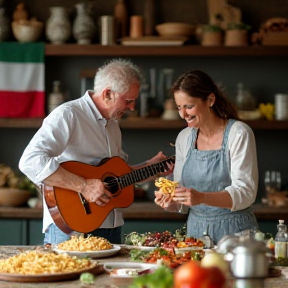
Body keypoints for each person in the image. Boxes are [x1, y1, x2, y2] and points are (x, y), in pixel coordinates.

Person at [19, 58, 173, 245]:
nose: (132, 108)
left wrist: (151, 167)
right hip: (72, 231)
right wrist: (83, 186)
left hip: (111, 229)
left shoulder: (113, 125)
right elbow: (30, 160)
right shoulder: (68, 115)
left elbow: (118, 177)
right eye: (129, 101)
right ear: (108, 94)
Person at [154, 70, 259, 244]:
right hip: (196, 235)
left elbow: (245, 192)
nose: (183, 114)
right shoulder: (184, 138)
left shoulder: (239, 133)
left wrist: (202, 197)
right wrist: (170, 201)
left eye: (188, 106)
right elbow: (182, 196)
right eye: (179, 107)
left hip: (236, 236)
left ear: (210, 100)